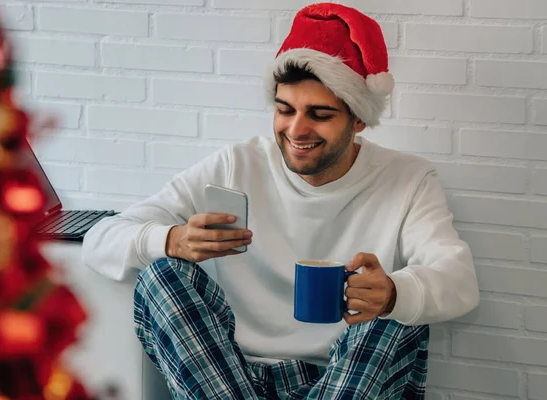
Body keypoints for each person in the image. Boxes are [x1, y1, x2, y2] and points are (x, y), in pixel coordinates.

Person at [82, 3, 480, 399]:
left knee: (395, 310)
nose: (296, 128)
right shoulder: (235, 164)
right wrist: (172, 240)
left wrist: (393, 292)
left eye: (320, 114)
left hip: (344, 380)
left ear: (358, 119)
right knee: (162, 277)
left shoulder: (407, 178)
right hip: (230, 381)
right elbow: (100, 240)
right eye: (284, 109)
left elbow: (459, 280)